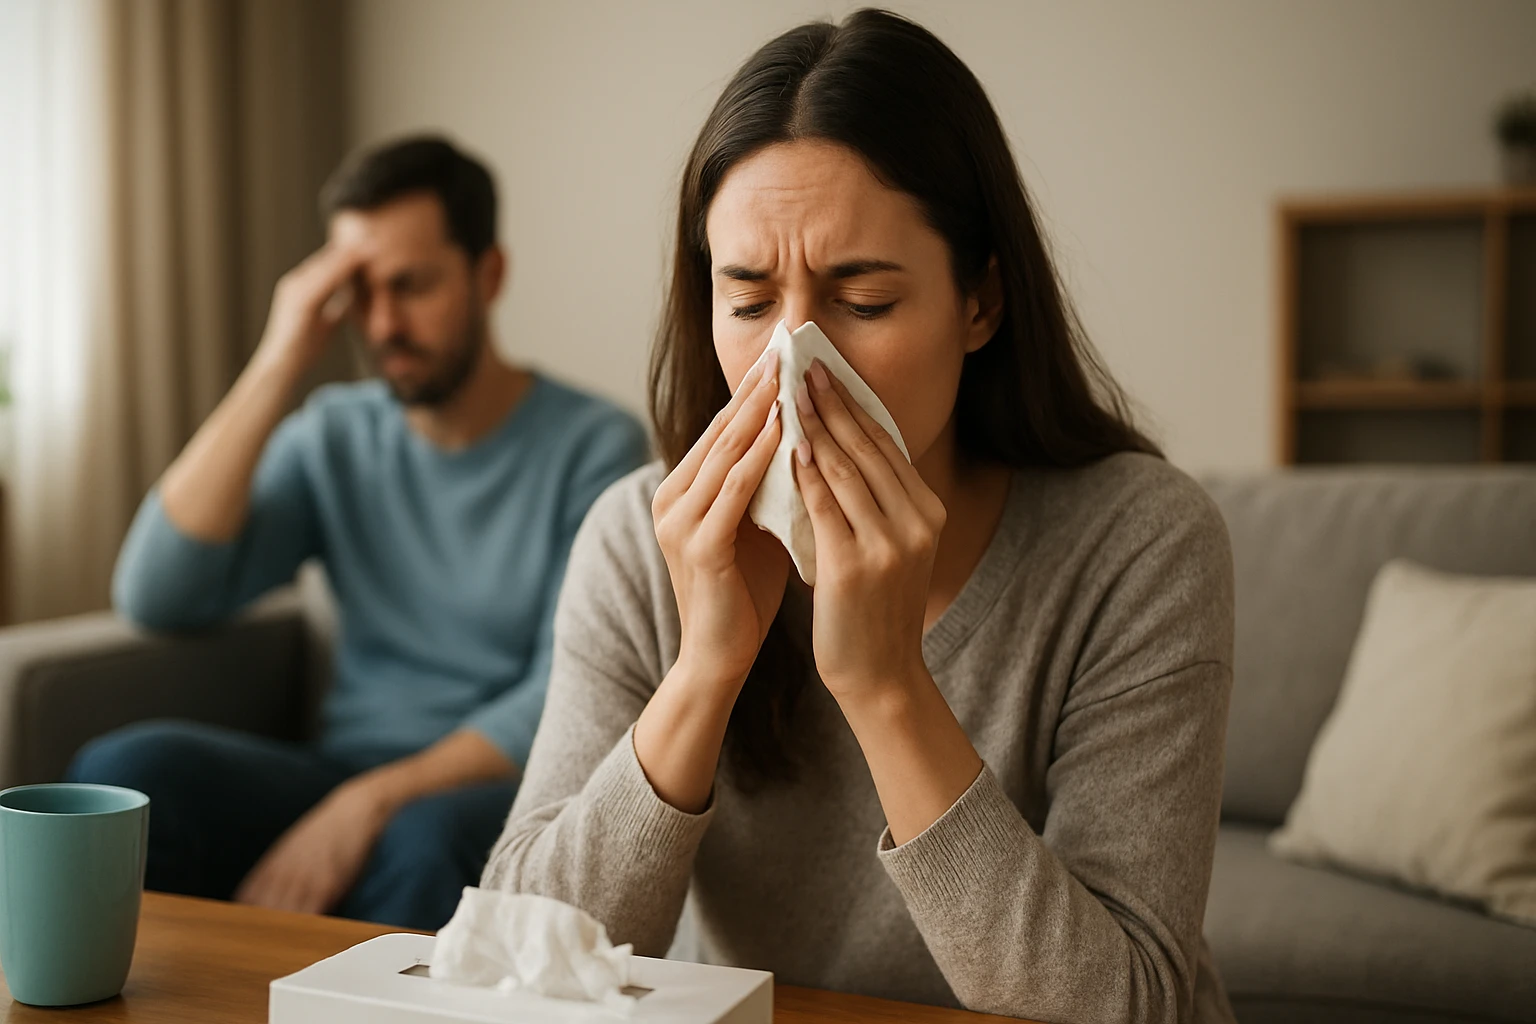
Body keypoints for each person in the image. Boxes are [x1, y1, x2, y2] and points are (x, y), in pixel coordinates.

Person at [482, 10, 1238, 1024]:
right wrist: (705, 671)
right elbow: (514, 964)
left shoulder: (1141, 542)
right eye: (749, 304)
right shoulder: (637, 537)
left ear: (980, 304)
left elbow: (1129, 1003)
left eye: (866, 303)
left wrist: (887, 686)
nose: (796, 369)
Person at [66, 136, 650, 932]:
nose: (381, 323)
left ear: (489, 275)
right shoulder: (336, 436)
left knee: (423, 838)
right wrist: (280, 359)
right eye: (358, 291)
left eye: (410, 287)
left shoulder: (594, 446)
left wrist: (371, 801)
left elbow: (565, 693)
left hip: (496, 786)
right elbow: (158, 595)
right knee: (122, 774)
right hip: (339, 772)